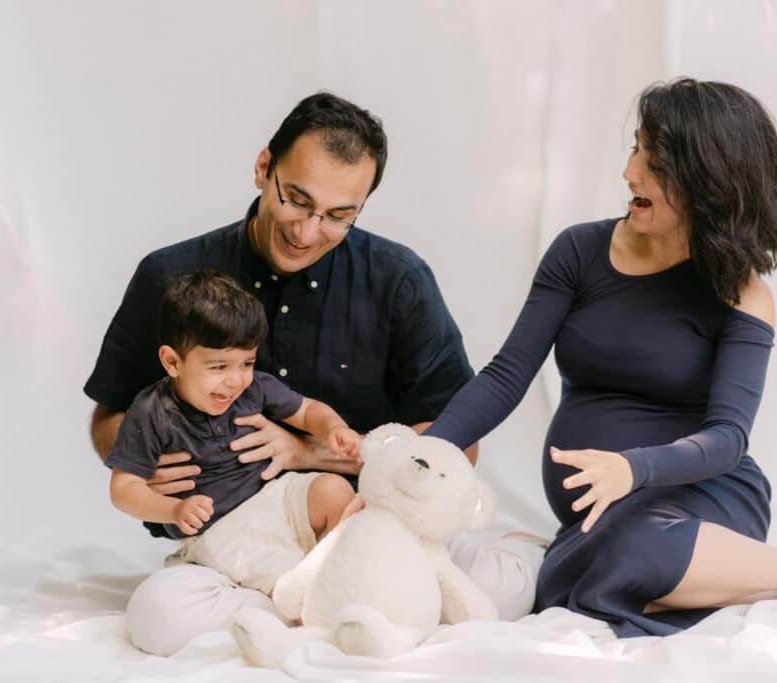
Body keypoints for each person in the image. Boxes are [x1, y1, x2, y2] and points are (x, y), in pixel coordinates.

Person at [425, 78, 777, 637]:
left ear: (708, 181)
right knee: (576, 572)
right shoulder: (579, 251)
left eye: (655, 163)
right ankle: (695, 581)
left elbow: (728, 438)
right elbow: (506, 376)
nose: (629, 172)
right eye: (635, 148)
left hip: (703, 495)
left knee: (630, 551)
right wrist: (420, 456)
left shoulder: (742, 294)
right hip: (609, 513)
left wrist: (632, 468)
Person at [84, 91, 544, 655]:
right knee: (158, 620)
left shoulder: (398, 280)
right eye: (297, 201)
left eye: (338, 216)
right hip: (228, 548)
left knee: (499, 592)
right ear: (264, 169)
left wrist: (309, 452)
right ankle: (318, 610)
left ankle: (510, 552)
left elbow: (457, 444)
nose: (307, 231)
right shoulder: (168, 276)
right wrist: (143, 461)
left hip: (368, 529)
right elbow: (107, 419)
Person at [107, 269, 362, 595]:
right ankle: (304, 594)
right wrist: (173, 510)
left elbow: (307, 410)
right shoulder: (153, 411)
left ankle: (339, 569)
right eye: (218, 367)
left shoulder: (253, 388)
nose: (236, 380)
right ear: (172, 362)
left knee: (334, 490)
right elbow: (123, 489)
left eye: (247, 363)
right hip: (220, 529)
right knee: (281, 575)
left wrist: (333, 427)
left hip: (274, 496)